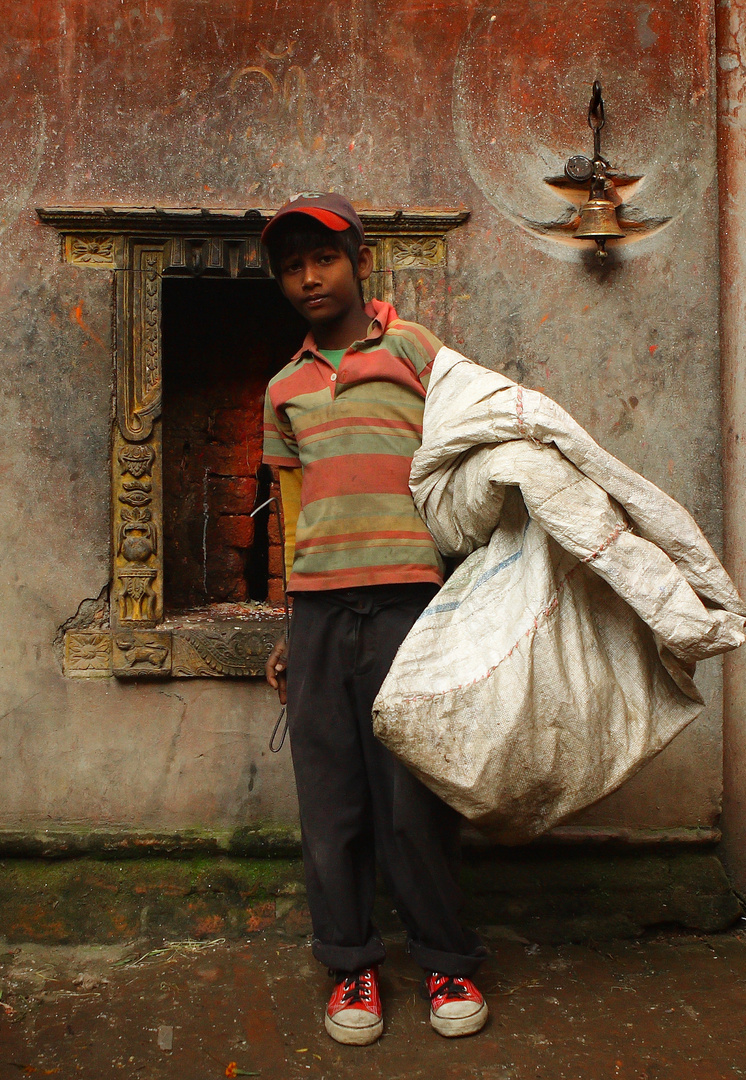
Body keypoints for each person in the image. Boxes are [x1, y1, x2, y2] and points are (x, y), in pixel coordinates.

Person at [258, 192, 489, 1046]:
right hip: (320, 612)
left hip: (409, 602)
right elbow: (289, 506)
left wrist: (468, 600)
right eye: (290, 267)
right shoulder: (283, 386)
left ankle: (443, 959)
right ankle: (351, 966)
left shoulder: (417, 351)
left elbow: (469, 459)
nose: (308, 277)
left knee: (411, 796)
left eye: (321, 258)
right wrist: (290, 628)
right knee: (331, 800)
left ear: (359, 261)